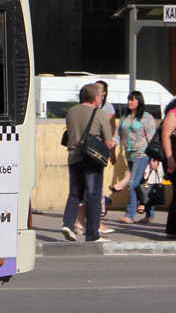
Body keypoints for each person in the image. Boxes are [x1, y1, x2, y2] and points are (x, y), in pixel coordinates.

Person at [61, 83, 116, 243]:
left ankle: (68, 224)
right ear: (95, 98)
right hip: (92, 159)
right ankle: (92, 234)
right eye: (100, 96)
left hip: (73, 157)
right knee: (93, 195)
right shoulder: (99, 113)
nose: (101, 99)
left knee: (74, 193)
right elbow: (108, 140)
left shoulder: (71, 112)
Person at [108, 90, 157, 224]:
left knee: (133, 184)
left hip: (143, 154)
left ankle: (130, 214)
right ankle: (150, 214)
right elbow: (117, 136)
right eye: (129, 99)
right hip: (129, 154)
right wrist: (110, 144)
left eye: (133, 100)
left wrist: (154, 158)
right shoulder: (125, 118)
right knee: (141, 184)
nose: (130, 102)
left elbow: (152, 139)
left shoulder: (147, 118)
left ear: (139, 101)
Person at [161, 99, 176, 239]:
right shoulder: (173, 113)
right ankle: (171, 230)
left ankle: (172, 230)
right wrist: (169, 158)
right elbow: (165, 135)